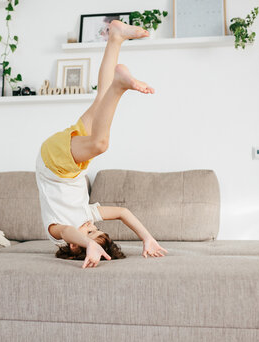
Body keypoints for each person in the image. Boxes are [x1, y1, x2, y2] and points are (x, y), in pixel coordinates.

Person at [35, 20, 168, 269]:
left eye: (90, 234)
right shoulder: (86, 216)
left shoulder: (56, 230)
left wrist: (90, 245)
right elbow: (123, 213)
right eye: (95, 229)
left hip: (54, 165)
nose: (90, 226)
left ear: (76, 245)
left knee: (101, 144)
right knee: (101, 98)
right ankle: (115, 37)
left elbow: (67, 233)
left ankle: (120, 86)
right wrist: (147, 238)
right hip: (71, 161)